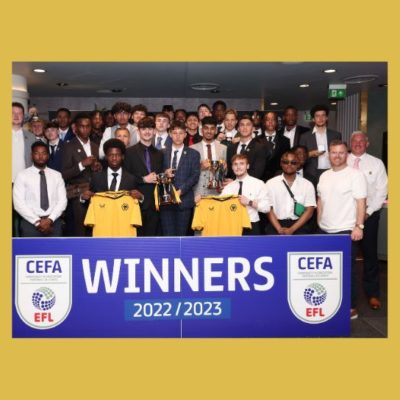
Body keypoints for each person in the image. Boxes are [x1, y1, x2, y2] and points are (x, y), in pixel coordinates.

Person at [317, 140, 367, 320]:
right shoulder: (324, 176)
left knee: (348, 271)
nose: (337, 156)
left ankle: (351, 306)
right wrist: (319, 222)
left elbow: (361, 202)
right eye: (333, 152)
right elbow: (320, 201)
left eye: (341, 152)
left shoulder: (355, 175)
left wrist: (359, 226)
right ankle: (332, 303)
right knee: (329, 271)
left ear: (347, 154)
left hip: (346, 230)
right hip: (325, 230)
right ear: (329, 154)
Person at [347, 131, 388, 310]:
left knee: (370, 255)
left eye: (361, 141)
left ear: (367, 143)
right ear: (350, 143)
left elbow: (381, 191)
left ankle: (373, 294)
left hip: (369, 216)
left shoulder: (377, 163)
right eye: (354, 141)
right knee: (347, 256)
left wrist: (367, 212)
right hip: (346, 217)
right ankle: (347, 294)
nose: (357, 143)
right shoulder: (342, 160)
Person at [13, 141, 67, 237]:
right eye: (37, 153)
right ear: (31, 155)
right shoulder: (22, 176)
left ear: (48, 155)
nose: (40, 156)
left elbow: (62, 201)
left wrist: (50, 220)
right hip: (30, 223)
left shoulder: (57, 175)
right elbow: (18, 204)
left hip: (53, 222)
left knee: (56, 252)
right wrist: (37, 222)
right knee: (30, 252)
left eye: (43, 153)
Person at [61, 113, 101, 236]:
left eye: (88, 126)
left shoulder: (95, 146)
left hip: (95, 193)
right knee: (80, 230)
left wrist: (98, 167)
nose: (85, 129)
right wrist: (81, 165)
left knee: (96, 228)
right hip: (78, 194)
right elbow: (63, 174)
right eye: (82, 126)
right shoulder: (68, 146)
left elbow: (98, 170)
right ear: (76, 128)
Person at [124, 117, 164, 236]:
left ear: (154, 131)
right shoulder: (128, 152)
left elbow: (161, 177)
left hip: (154, 204)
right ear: (138, 131)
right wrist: (143, 179)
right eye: (143, 129)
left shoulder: (159, 154)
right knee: (135, 239)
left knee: (152, 240)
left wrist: (163, 175)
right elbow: (125, 176)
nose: (147, 132)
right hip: (135, 201)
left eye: (150, 129)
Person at [160, 120, 200, 236]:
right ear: (170, 134)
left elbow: (194, 176)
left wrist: (180, 191)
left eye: (181, 133)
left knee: (181, 236)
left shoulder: (193, 154)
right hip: (166, 201)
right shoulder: (161, 153)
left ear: (185, 134)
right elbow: (156, 174)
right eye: (175, 133)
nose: (178, 136)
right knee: (168, 236)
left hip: (184, 200)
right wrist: (164, 174)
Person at [265, 151, 316, 235]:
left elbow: (309, 211)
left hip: (299, 225)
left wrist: (292, 229)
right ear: (281, 163)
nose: (289, 164)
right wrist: (279, 229)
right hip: (275, 225)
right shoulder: (270, 183)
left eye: (293, 162)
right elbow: (268, 209)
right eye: (285, 162)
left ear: (298, 164)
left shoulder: (307, 184)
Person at [221, 154, 269, 235]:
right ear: (232, 167)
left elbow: (266, 208)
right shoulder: (228, 187)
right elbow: (220, 206)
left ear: (248, 166)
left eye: (242, 163)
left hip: (251, 225)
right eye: (235, 164)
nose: (238, 167)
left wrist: (249, 202)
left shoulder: (258, 184)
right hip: (232, 225)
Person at [299, 104, 342, 182]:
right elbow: (299, 157)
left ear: (327, 118)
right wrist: (311, 153)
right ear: (313, 119)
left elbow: (341, 154)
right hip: (311, 174)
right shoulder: (305, 136)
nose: (320, 118)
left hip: (331, 172)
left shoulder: (336, 135)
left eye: (323, 115)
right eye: (317, 116)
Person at [190, 116, 227, 201]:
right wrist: (200, 167)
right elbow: (188, 173)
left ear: (216, 130)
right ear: (201, 130)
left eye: (212, 128)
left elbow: (224, 174)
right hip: (198, 195)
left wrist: (224, 169)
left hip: (217, 193)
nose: (209, 131)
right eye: (206, 128)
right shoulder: (192, 148)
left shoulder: (223, 148)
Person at [226, 115, 270, 180]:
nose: (245, 127)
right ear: (238, 128)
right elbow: (230, 171)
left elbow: (256, 173)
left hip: (252, 187)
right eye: (242, 125)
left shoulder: (260, 148)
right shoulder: (231, 148)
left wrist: (235, 182)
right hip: (233, 188)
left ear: (253, 129)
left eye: (248, 125)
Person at [258, 111, 290, 181]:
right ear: (264, 122)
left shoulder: (285, 141)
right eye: (267, 119)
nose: (270, 122)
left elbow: (286, 161)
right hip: (260, 178)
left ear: (277, 122)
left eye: (273, 119)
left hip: (279, 178)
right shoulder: (256, 140)